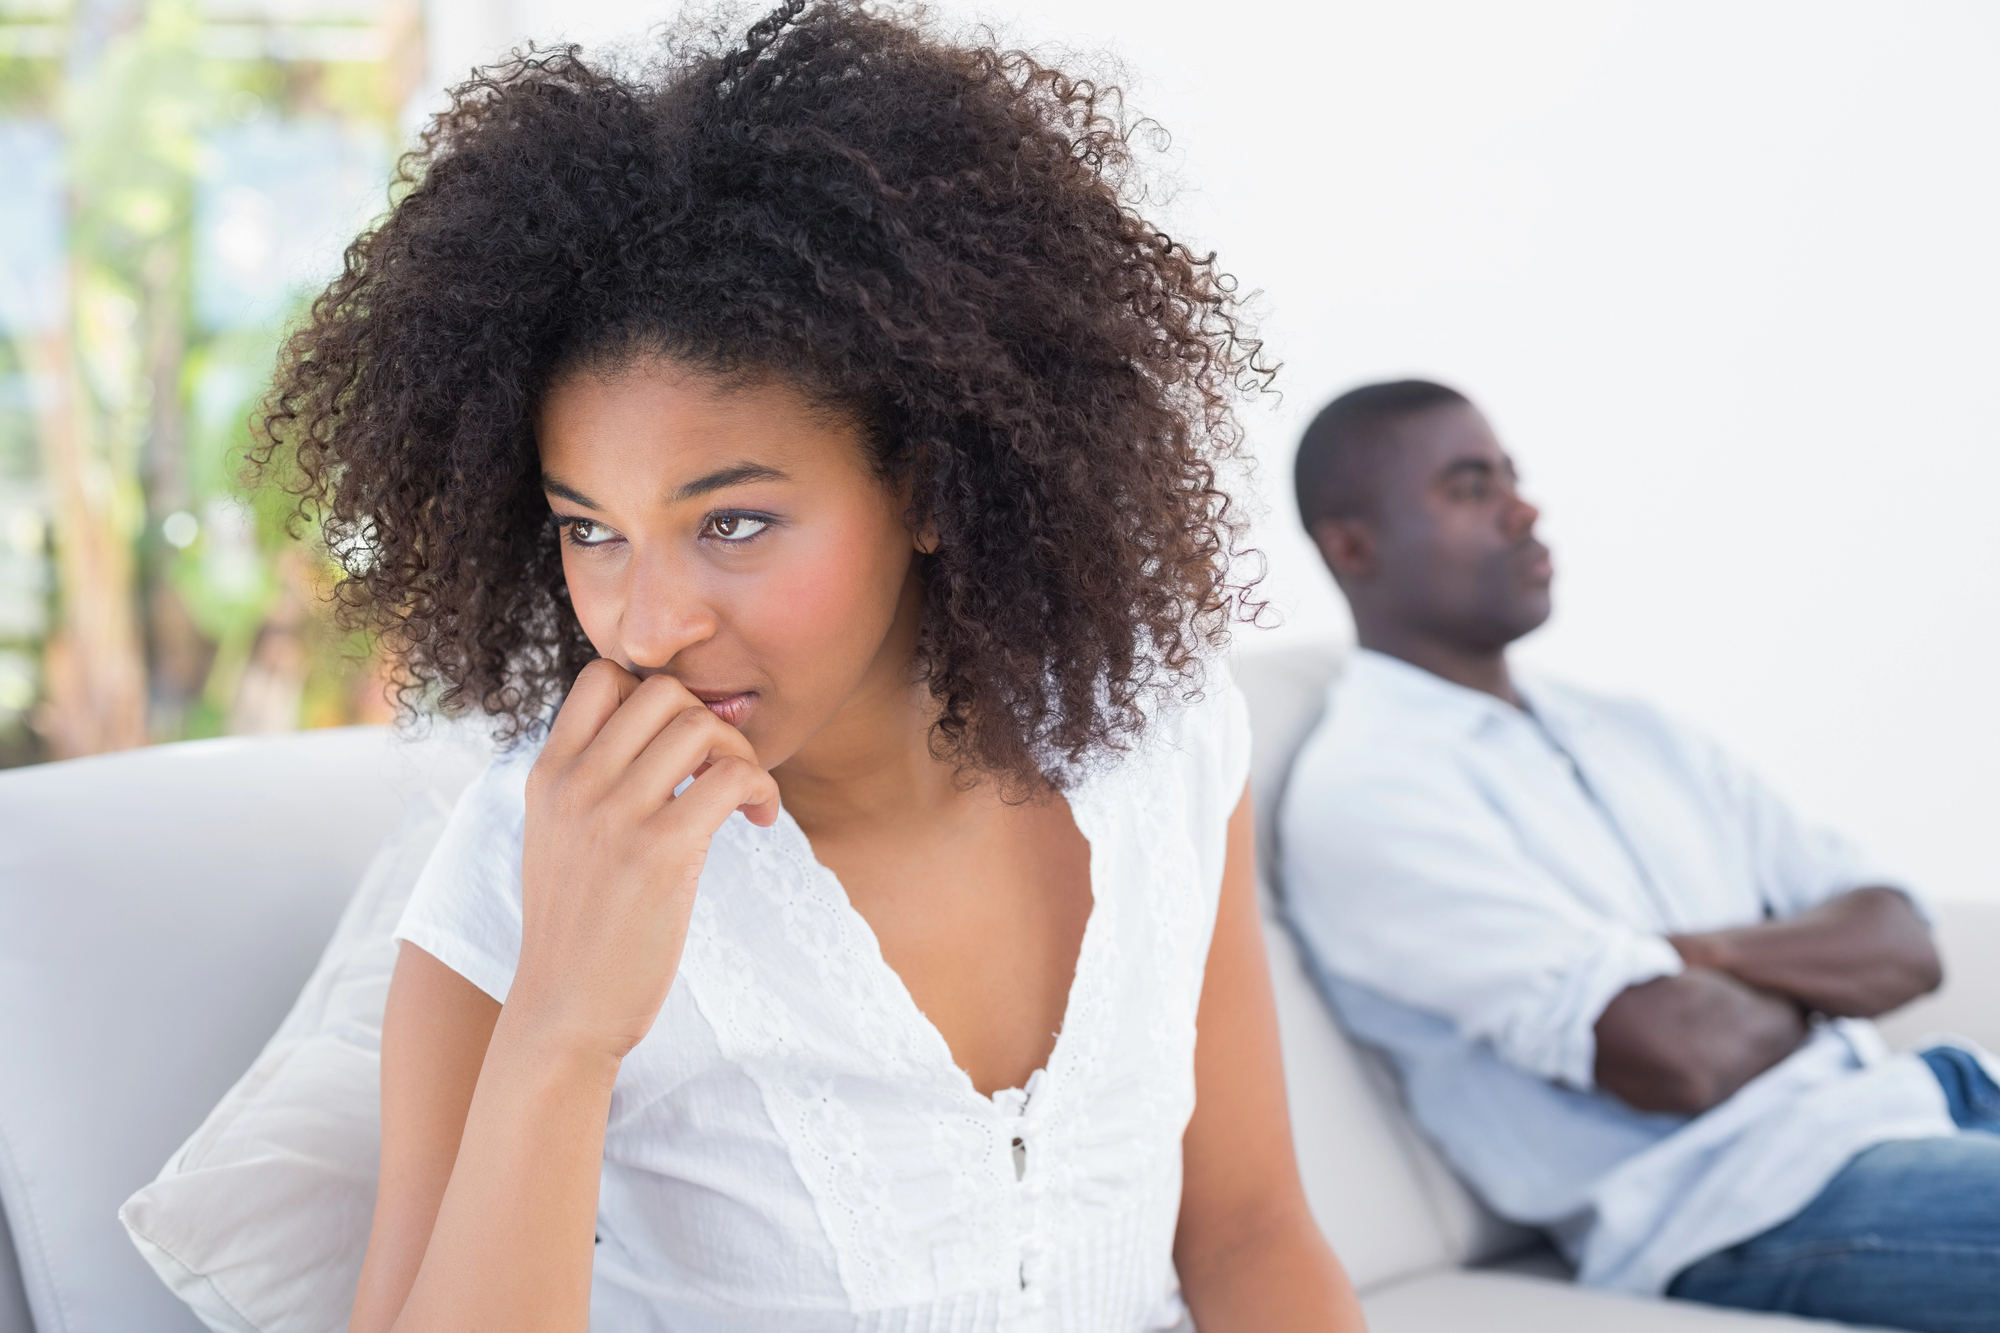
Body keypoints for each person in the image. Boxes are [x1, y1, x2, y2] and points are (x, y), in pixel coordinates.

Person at [254, 4, 1366, 1330]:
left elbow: (1246, 1232)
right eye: (589, 531)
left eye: (731, 522)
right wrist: (565, 1019)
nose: (647, 624)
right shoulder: (519, 861)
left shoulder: (1157, 738)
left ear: (931, 485)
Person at [1278, 379, 2000, 1332]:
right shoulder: (1371, 793)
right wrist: (1807, 969)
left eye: (1512, 476)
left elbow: (1905, 941)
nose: (1523, 508)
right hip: (1754, 1203)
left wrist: (1700, 954)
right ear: (1352, 547)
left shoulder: (1636, 732)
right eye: (1467, 487)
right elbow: (1680, 1054)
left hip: (1927, 1095)